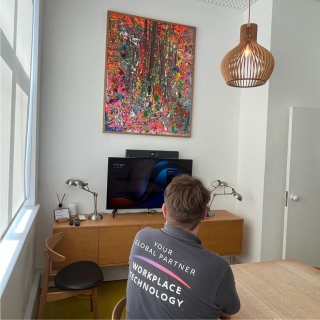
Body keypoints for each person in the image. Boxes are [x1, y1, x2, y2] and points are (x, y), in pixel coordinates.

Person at [126, 174, 240, 319]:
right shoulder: (217, 267)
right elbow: (229, 312)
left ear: (164, 210)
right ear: (204, 214)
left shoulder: (142, 236)